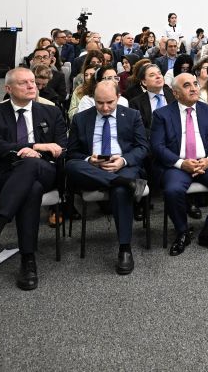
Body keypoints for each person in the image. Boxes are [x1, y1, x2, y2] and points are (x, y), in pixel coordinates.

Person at [0, 67, 67, 290]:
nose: (31, 85)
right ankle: (28, 260)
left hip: (45, 170)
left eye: (32, 81)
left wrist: (33, 151)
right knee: (31, 189)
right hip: (4, 174)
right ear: (8, 88)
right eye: (23, 83)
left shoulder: (52, 112)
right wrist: (35, 146)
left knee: (32, 165)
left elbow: (61, 148)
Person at [65, 81, 149, 275]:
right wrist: (89, 159)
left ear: (118, 97)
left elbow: (143, 147)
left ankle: (125, 248)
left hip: (122, 166)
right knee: (71, 166)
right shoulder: (80, 118)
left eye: (110, 102)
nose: (104, 108)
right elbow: (72, 153)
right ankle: (127, 184)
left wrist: (123, 161)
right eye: (99, 102)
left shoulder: (132, 115)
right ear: (93, 99)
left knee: (120, 191)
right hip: (92, 168)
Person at [150, 73, 208, 256]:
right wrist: (181, 164)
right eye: (187, 85)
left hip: (205, 163)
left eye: (195, 84)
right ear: (175, 93)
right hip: (178, 165)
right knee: (172, 190)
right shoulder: (161, 114)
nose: (193, 88)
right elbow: (157, 147)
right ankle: (182, 232)